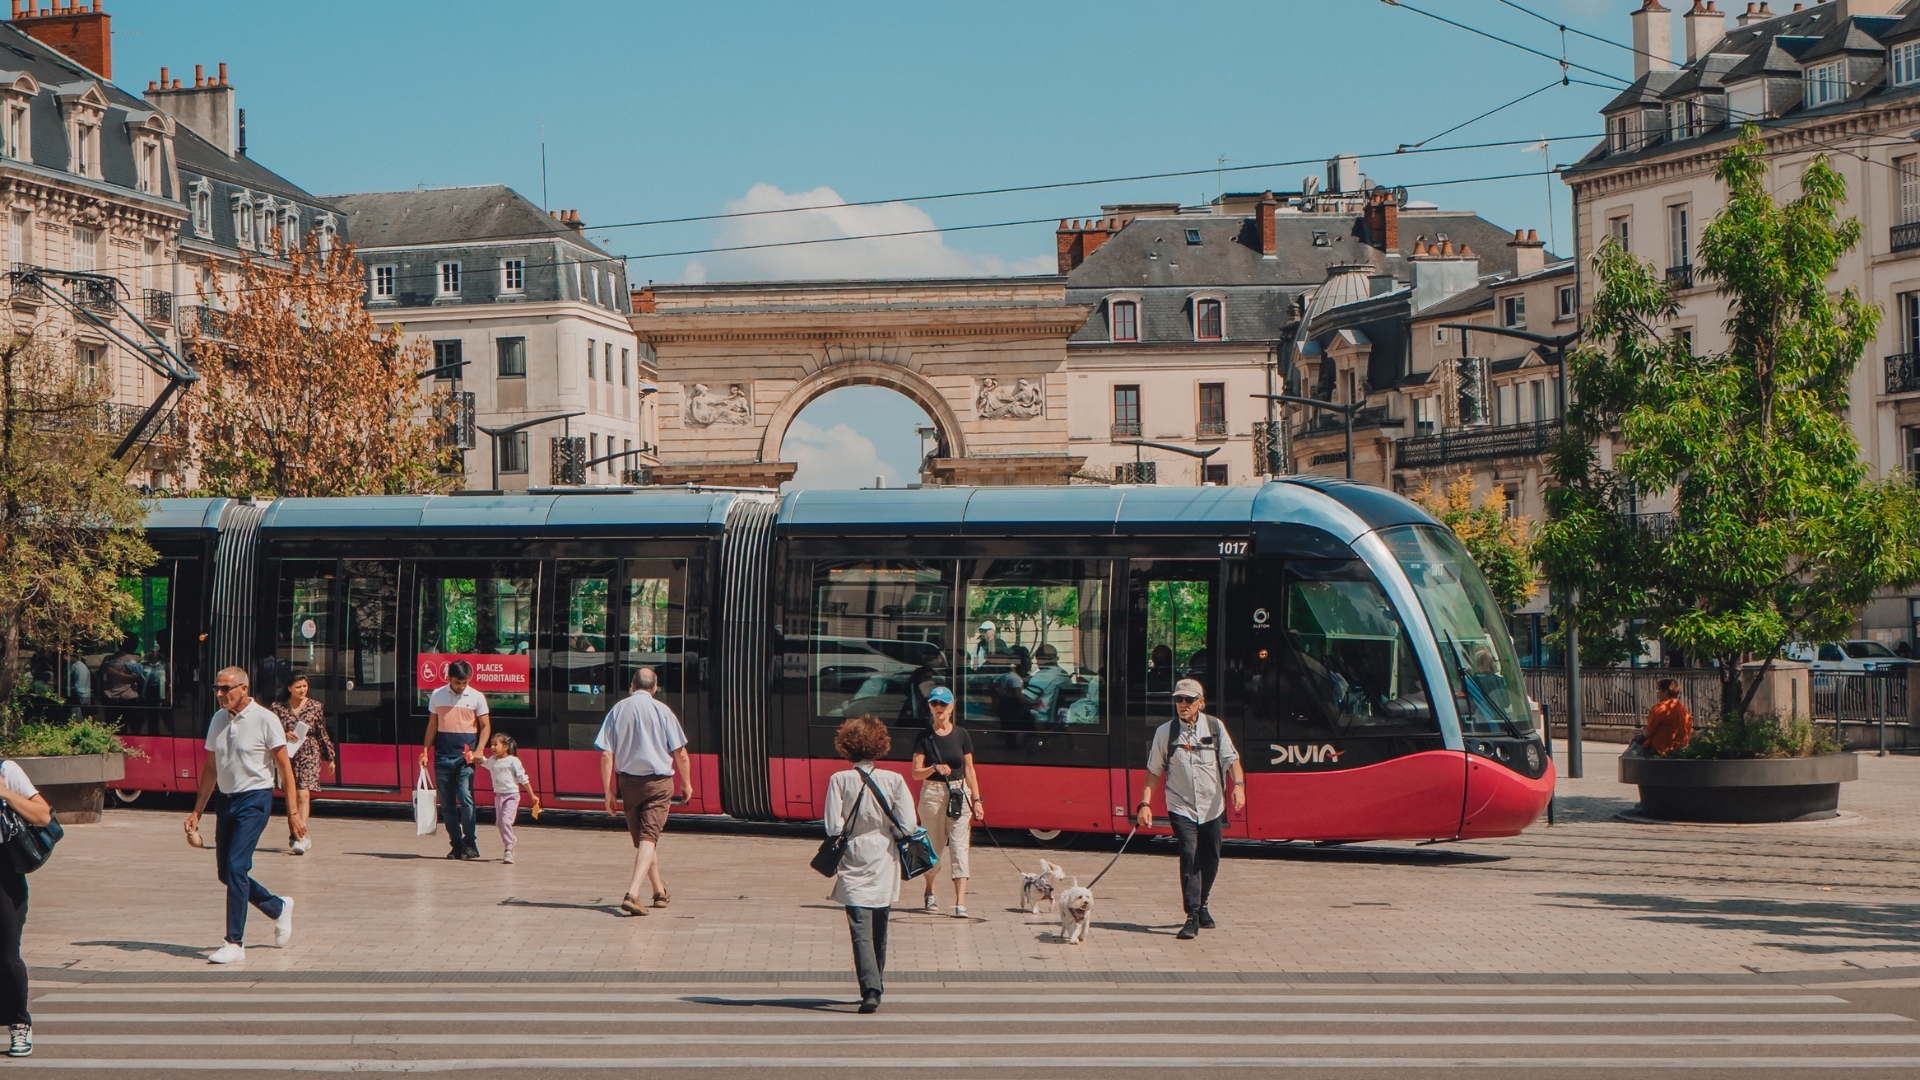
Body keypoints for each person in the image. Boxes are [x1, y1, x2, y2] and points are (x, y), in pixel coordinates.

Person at [184, 666, 302, 965]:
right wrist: (197, 811)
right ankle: (277, 906)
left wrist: (293, 814)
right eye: (217, 688)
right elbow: (211, 768)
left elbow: (284, 768)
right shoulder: (217, 720)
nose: (221, 694)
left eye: (226, 688)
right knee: (227, 873)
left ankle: (233, 942)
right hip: (226, 800)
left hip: (255, 800)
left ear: (244, 689)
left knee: (237, 867)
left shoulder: (265, 719)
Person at [1136, 678, 1243, 941]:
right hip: (1180, 805)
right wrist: (1145, 803)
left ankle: (1203, 903)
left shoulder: (1216, 728)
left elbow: (1232, 760)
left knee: (1211, 858)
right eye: (1178, 699)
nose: (1182, 704)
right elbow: (1153, 771)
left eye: (1188, 700)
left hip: (1212, 805)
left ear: (1201, 703)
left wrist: (1238, 786)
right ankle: (1192, 915)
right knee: (1189, 853)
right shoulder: (1165, 732)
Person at [823, 714, 916, 1014]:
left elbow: (832, 827)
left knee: (859, 925)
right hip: (885, 856)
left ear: (846, 747)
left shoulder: (839, 780)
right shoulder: (895, 780)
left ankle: (870, 987)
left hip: (853, 856)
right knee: (881, 923)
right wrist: (891, 832)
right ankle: (876, 982)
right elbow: (910, 826)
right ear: (880, 745)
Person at [596, 667, 693, 917]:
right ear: (655, 688)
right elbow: (680, 753)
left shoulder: (617, 710)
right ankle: (632, 894)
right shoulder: (663, 711)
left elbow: (607, 755)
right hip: (659, 784)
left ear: (632, 685)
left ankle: (659, 891)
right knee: (648, 839)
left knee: (644, 840)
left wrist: (608, 791)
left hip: (628, 783)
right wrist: (686, 782)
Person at [910, 687, 983, 917]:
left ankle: (960, 902)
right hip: (932, 795)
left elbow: (970, 770)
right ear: (930, 707)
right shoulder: (924, 737)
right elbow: (915, 773)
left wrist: (977, 799)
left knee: (960, 848)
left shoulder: (962, 735)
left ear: (952, 707)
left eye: (943, 704)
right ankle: (930, 891)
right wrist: (932, 768)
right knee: (934, 847)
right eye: (934, 704)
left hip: (959, 794)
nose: (939, 708)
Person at [0, 756, 51, 1056]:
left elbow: (43, 815)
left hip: (4, 872)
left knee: (6, 953)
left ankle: (20, 1024)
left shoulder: (7, 771)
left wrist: (5, 793)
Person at [420, 661, 490, 860]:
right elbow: (432, 726)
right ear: (448, 678)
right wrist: (425, 751)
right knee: (448, 805)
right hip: (442, 757)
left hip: (465, 759)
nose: (461, 686)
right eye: (458, 682)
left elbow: (485, 726)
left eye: (465, 682)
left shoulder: (477, 697)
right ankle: (456, 844)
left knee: (466, 799)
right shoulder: (437, 695)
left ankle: (470, 842)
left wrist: (479, 750)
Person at [271, 674, 334, 855]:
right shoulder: (277, 708)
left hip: (309, 753)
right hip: (287, 754)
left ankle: (300, 835)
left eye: (305, 686)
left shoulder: (315, 706)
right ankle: (297, 834)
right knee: (291, 796)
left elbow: (322, 733)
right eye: (298, 686)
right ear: (289, 687)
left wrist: (330, 758)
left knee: (303, 795)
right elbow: (269, 731)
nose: (302, 690)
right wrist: (284, 734)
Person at [478, 734, 540, 864]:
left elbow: (523, 779)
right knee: (499, 823)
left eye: (496, 744)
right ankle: (510, 838)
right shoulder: (493, 760)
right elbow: (484, 763)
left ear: (505, 747)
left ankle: (508, 849)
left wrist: (532, 795)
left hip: (511, 796)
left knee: (506, 821)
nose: (493, 747)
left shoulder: (513, 761)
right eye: (492, 744)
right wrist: (473, 757)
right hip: (499, 796)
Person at [1634, 678, 1693, 756]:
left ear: (1666, 692)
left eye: (1659, 689)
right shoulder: (1684, 710)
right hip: (1679, 751)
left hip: (1659, 750)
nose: (1657, 693)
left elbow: (1648, 732)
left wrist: (1639, 738)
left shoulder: (1660, 708)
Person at [1023, 643, 1071, 727]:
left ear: (1038, 660)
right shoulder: (1063, 673)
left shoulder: (1043, 675)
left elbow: (1025, 699)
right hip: (1058, 719)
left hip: (1040, 719)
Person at [990, 646, 1032, 728]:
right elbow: (1019, 697)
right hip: (1013, 719)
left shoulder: (1026, 679)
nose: (1030, 662)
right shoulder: (1010, 678)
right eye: (1027, 659)